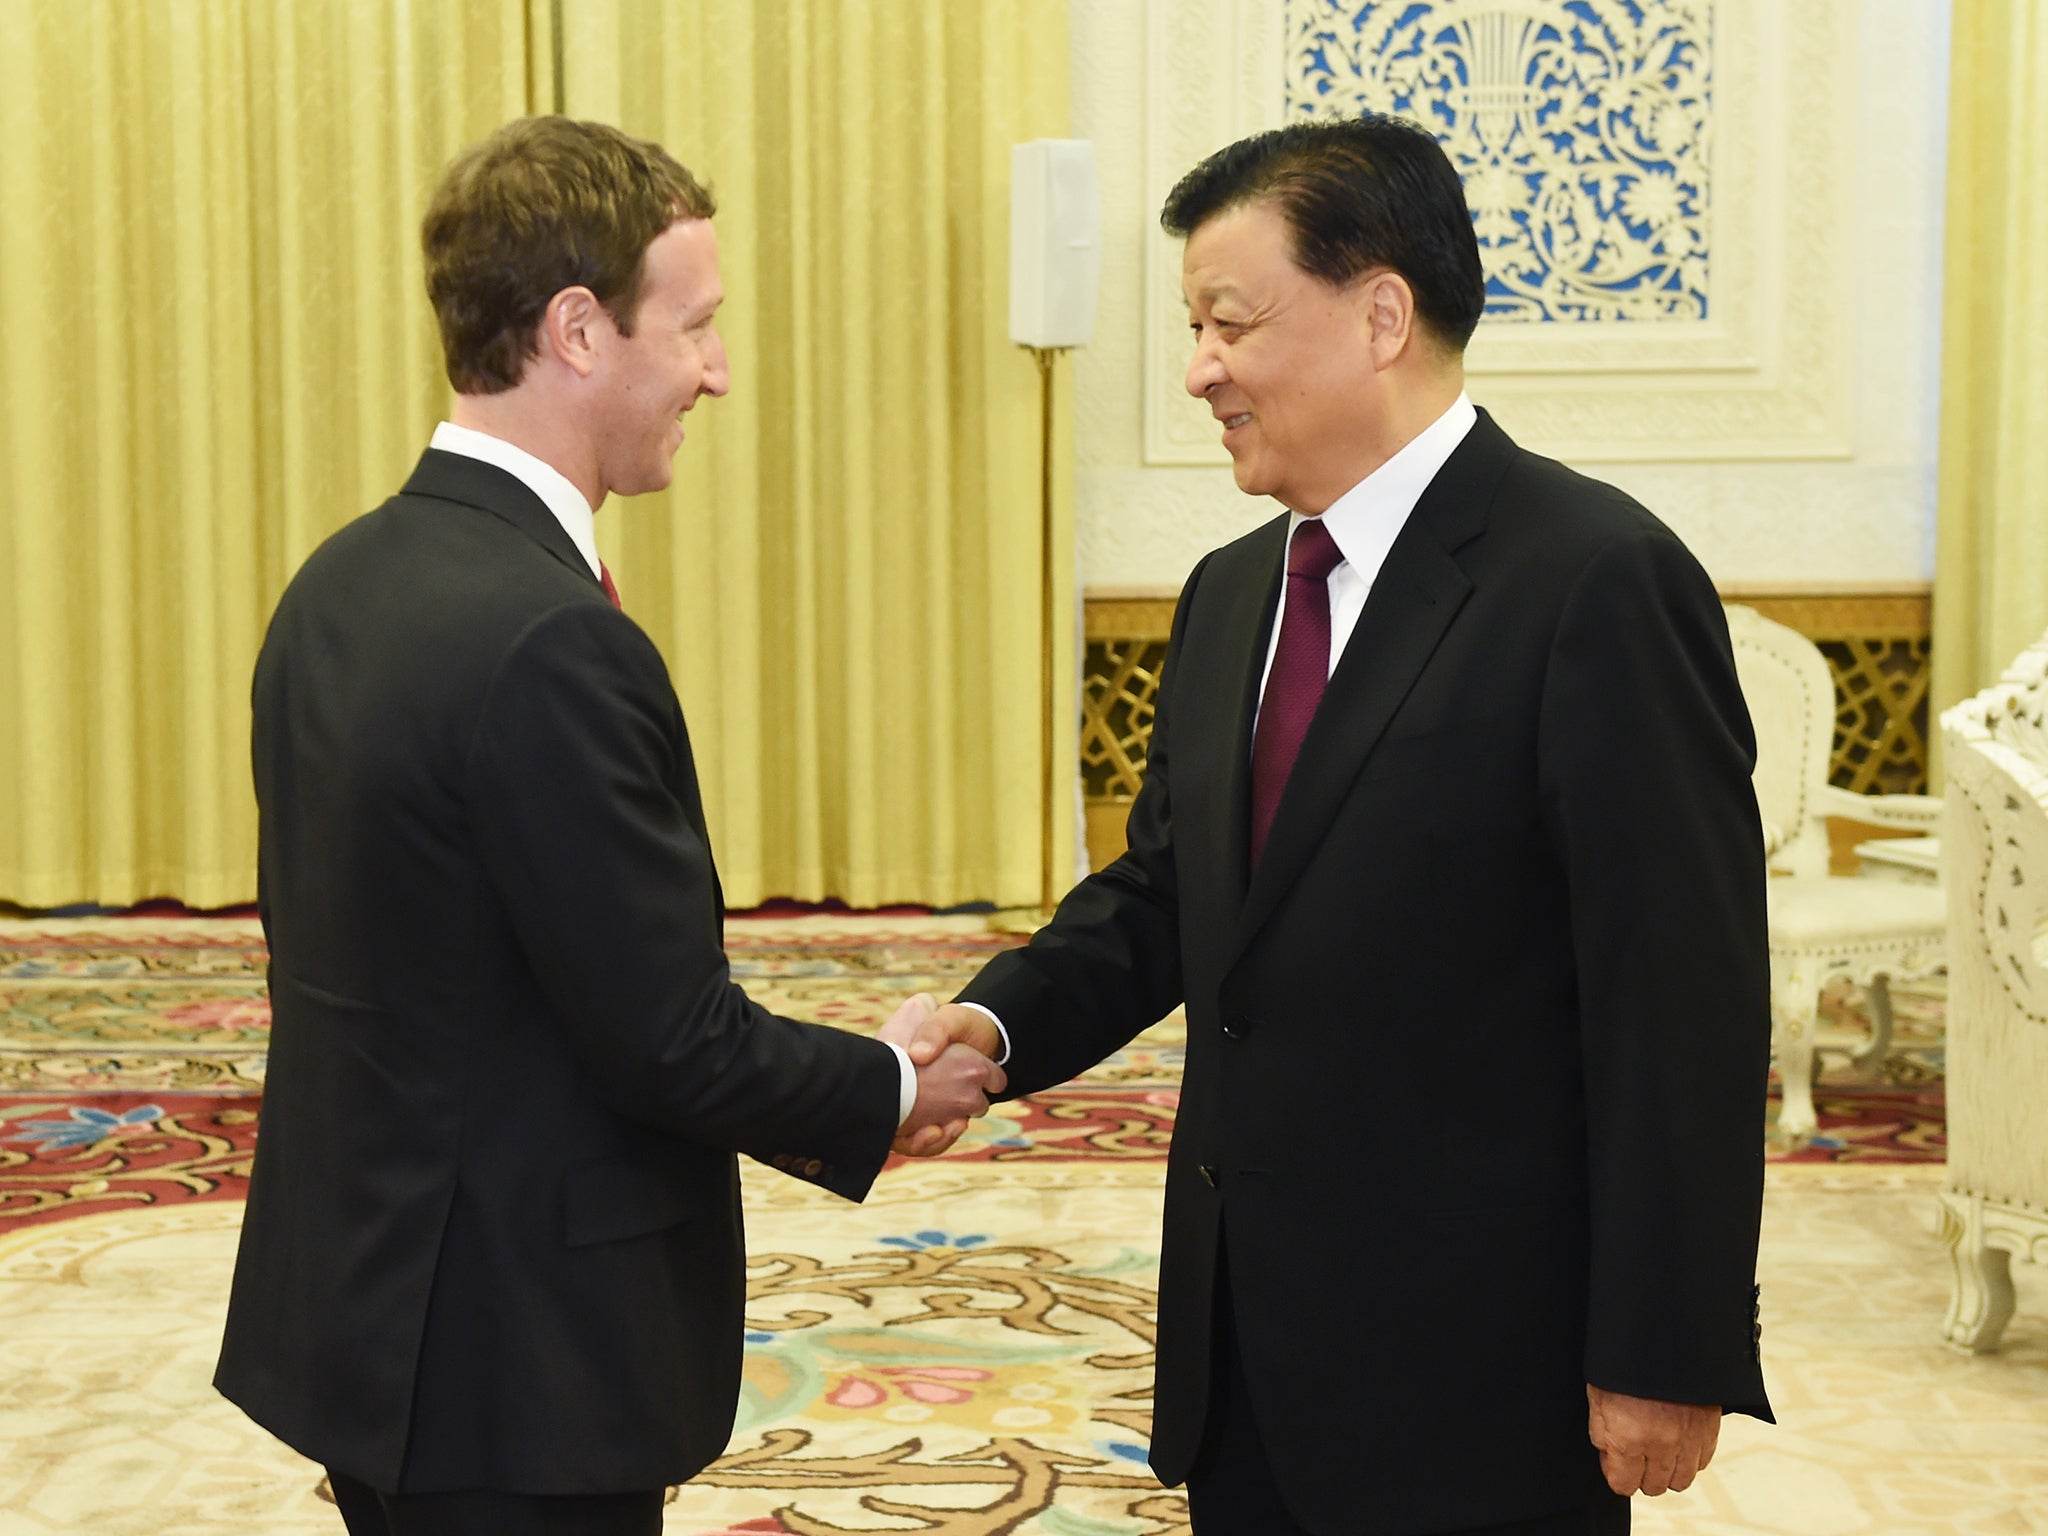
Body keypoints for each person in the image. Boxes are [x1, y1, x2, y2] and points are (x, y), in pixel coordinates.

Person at [902, 115, 1773, 1535]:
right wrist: (990, 1030)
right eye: (1193, 326)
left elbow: (1682, 1003)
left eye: (1229, 323)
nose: (1198, 370)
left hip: (1482, 1373)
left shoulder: (1593, 581)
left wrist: (1665, 1350)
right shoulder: (1230, 593)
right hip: (1245, 1345)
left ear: (1381, 313)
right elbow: (1168, 896)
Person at [214, 116, 1000, 1536]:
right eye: (693, 326)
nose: (716, 370)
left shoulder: (338, 583)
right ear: (579, 331)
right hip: (521, 1367)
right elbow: (664, 1039)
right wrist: (885, 1089)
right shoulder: (550, 641)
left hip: (374, 1324)